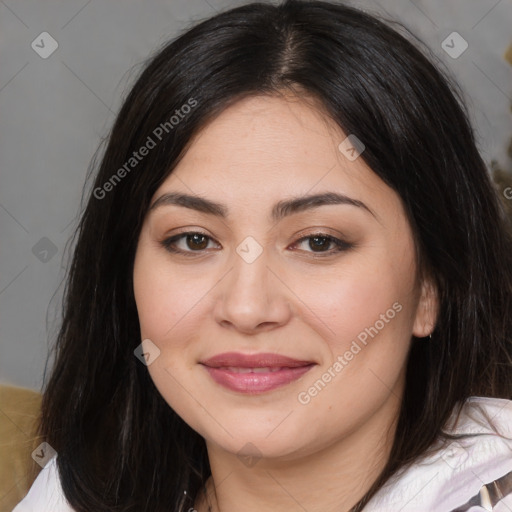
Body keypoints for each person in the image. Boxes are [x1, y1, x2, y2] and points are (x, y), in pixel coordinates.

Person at [12, 0, 512, 511]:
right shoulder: (74, 495)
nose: (247, 308)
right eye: (194, 240)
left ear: (430, 287)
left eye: (319, 242)